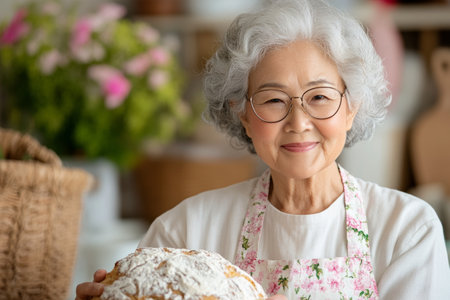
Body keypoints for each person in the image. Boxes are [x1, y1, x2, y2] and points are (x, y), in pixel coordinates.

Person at [76, 0, 450, 299]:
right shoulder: (186, 231)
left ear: (352, 108)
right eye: (273, 100)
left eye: (320, 97)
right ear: (242, 113)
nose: (298, 122)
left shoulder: (406, 229)